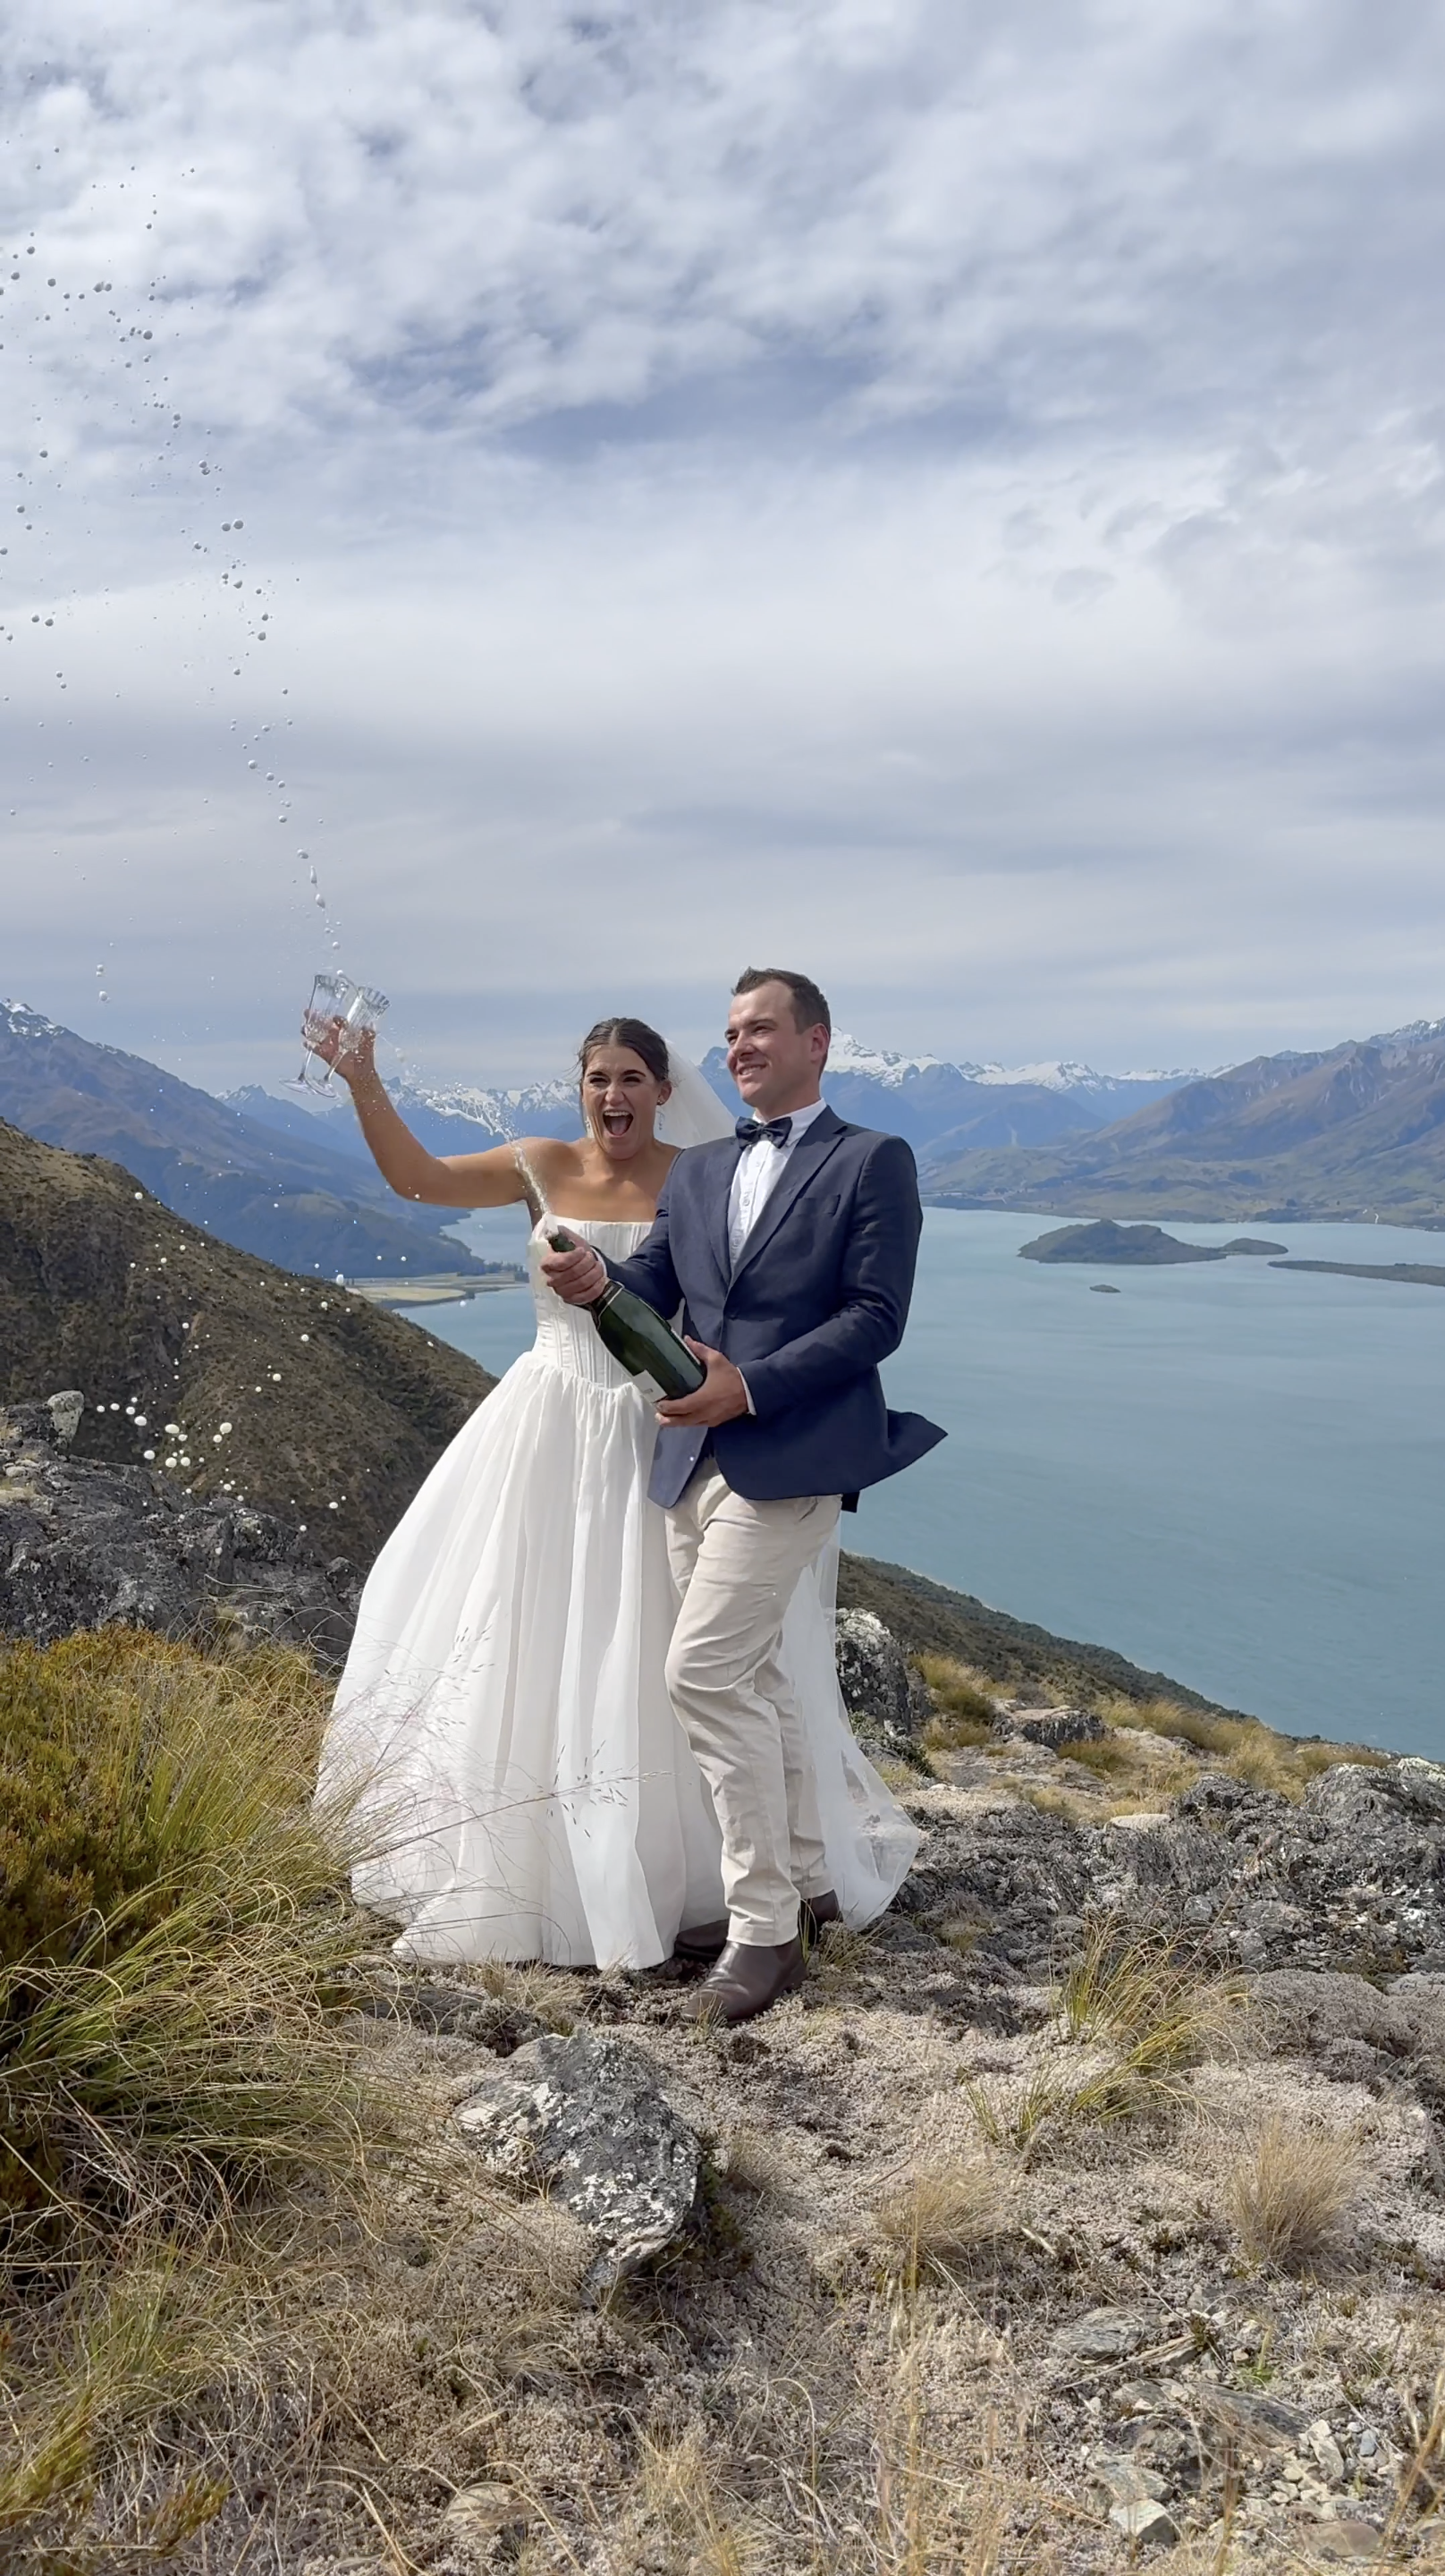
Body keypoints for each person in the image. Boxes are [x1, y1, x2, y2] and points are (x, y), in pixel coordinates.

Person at [316, 1009, 920, 1970]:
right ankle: (542, 1862)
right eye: (597, 1079)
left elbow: (768, 1293)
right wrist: (361, 1081)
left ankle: (699, 1875)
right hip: (548, 1421)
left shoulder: (707, 1173)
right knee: (531, 1627)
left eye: (631, 1078)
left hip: (659, 1433)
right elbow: (415, 1179)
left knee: (665, 1655)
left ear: (662, 1089)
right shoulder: (537, 1164)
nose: (613, 1096)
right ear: (580, 1090)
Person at [545, 969, 945, 2021]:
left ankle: (763, 1935)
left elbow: (875, 1316)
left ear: (817, 1041)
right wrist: (597, 1284)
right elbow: (656, 1291)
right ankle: (809, 1883)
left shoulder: (872, 1161)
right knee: (755, 1678)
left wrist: (749, 1385)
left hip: (793, 1455)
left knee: (703, 1674)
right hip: (688, 1463)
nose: (739, 1047)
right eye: (729, 1033)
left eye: (760, 1028)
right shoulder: (699, 1168)